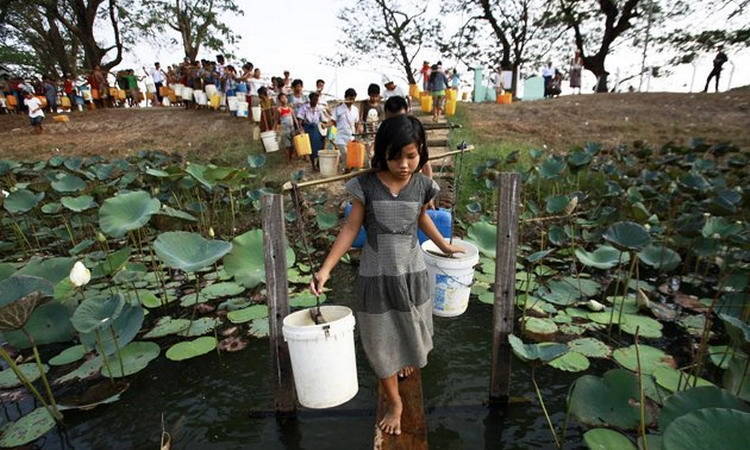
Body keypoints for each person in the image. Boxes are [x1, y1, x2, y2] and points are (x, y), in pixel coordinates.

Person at [310, 114, 463, 436]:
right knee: (380, 342)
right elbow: (351, 227)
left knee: (412, 331)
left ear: (421, 151)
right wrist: (326, 269)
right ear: (383, 152)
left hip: (412, 274)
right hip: (376, 277)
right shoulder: (366, 184)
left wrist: (445, 248)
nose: (404, 164)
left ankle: (405, 358)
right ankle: (395, 402)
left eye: (411, 156)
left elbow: (423, 219)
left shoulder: (423, 185)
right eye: (395, 156)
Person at [297, 92, 327, 171]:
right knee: (311, 148)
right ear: (310, 99)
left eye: (317, 99)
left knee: (321, 146)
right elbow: (300, 120)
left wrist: (324, 125)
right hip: (308, 128)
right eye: (314, 99)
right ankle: (313, 165)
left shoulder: (319, 108)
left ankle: (319, 164)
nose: (316, 101)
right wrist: (301, 129)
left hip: (317, 128)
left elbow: (323, 120)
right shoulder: (304, 107)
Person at [332, 88, 360, 171]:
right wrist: (325, 125)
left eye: (353, 99)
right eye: (349, 98)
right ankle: (346, 169)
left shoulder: (355, 110)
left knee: (351, 155)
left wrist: (357, 134)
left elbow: (357, 123)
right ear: (345, 98)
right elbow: (333, 121)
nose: (351, 101)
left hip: (351, 136)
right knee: (345, 153)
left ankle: (347, 169)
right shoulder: (338, 109)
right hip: (341, 136)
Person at [276, 93, 296, 162]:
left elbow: (294, 118)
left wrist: (298, 126)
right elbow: (277, 120)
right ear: (279, 100)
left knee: (293, 143)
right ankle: (288, 158)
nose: (284, 99)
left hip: (292, 128)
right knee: (287, 144)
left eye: (285, 97)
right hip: (284, 129)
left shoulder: (290, 109)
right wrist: (275, 128)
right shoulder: (279, 109)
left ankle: (291, 156)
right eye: (282, 98)